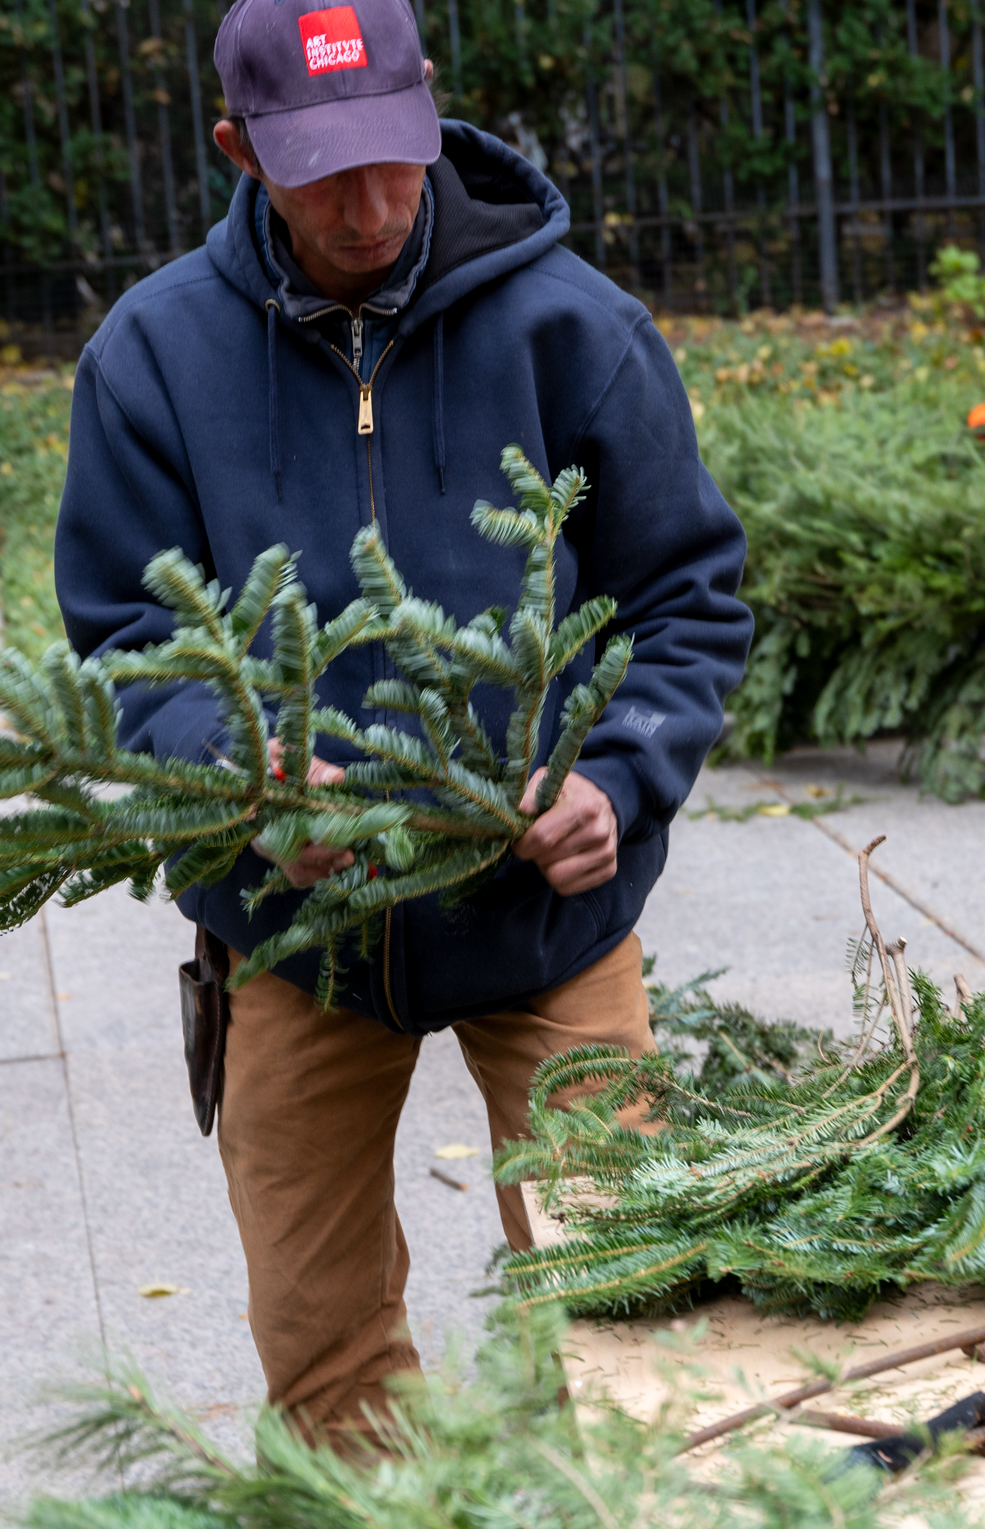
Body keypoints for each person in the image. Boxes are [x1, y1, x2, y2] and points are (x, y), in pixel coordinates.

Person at [52, 0, 752, 1448]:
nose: (368, 206)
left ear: (431, 106)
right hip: (299, 928)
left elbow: (684, 595)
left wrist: (619, 777)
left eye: (390, 156)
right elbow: (126, 644)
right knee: (318, 1341)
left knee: (626, 1300)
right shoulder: (153, 361)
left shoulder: (577, 329)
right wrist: (238, 781)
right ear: (240, 150)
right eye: (320, 172)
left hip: (552, 913)